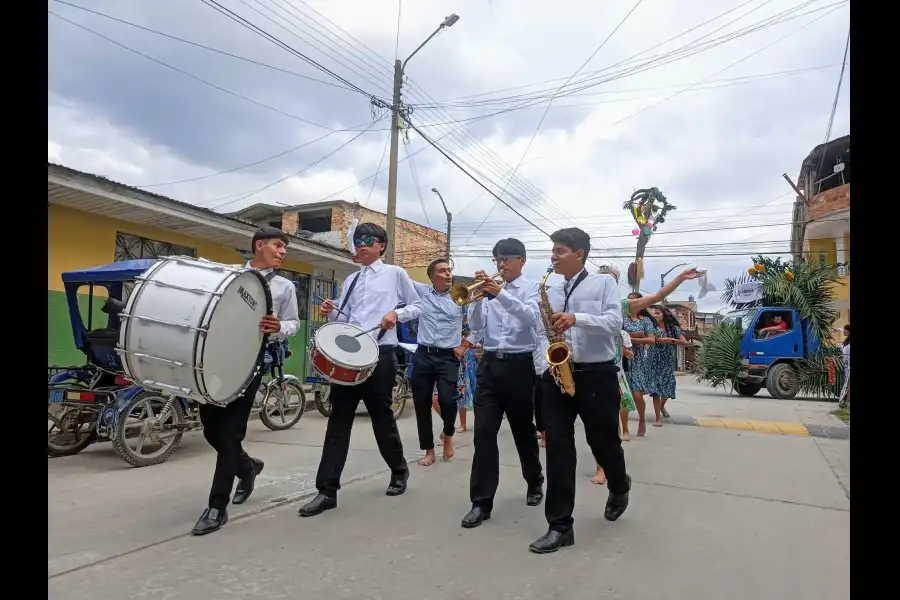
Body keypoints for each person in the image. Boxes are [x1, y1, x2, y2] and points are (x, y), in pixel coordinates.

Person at [298, 223, 423, 517]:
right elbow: (345, 315)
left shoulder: (395, 274)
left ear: (381, 245)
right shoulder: (351, 279)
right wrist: (331, 308)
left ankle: (399, 469)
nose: (362, 245)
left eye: (368, 241)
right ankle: (326, 491)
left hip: (382, 353)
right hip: (350, 356)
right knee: (338, 421)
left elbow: (418, 306)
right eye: (358, 241)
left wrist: (396, 314)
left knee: (382, 419)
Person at [192, 226, 300, 536]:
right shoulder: (231, 276)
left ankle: (216, 507)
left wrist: (279, 326)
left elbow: (292, 323)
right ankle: (247, 467)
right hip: (214, 360)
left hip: (252, 362)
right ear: (259, 245)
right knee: (212, 429)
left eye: (285, 248)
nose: (283, 252)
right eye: (278, 245)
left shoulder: (284, 287)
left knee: (231, 431)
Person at [529, 228, 629, 554]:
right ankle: (560, 526)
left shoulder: (604, 283)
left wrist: (577, 318)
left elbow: (615, 323)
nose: (553, 256)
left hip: (596, 373)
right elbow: (541, 329)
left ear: (579, 254)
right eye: (553, 251)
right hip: (558, 373)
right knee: (557, 448)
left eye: (559, 251)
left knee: (603, 441)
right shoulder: (550, 289)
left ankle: (618, 483)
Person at [461, 238, 544, 530]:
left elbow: (532, 319)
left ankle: (534, 481)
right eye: (498, 259)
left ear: (522, 260)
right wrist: (477, 299)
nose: (501, 264)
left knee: (523, 431)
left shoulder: (533, 288)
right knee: (483, 433)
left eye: (507, 258)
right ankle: (481, 502)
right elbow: (477, 326)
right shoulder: (489, 291)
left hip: (520, 366)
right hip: (491, 364)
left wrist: (500, 294)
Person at [596, 265, 703, 439]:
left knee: (629, 394)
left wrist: (681, 277)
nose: (607, 284)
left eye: (612, 280)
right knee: (604, 403)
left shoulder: (622, 306)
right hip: (596, 358)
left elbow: (657, 296)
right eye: (604, 279)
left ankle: (629, 426)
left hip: (624, 359)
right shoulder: (587, 301)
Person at [410, 258, 472, 466]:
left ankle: (448, 434)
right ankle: (428, 450)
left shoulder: (461, 297)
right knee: (421, 403)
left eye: (449, 270)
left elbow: (476, 325)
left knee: (447, 399)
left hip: (448, 356)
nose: (448, 274)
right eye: (443, 271)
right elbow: (398, 279)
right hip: (423, 354)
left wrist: (464, 345)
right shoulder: (421, 291)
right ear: (432, 277)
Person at [591, 329, 635, 486]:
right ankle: (600, 469)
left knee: (611, 425)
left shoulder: (622, 334)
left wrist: (627, 352)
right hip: (594, 379)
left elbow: (630, 354)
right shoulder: (593, 330)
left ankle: (624, 431)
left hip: (617, 378)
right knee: (598, 426)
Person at [647, 304, 688, 426]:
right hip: (653, 361)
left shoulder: (672, 328)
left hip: (666, 362)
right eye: (654, 313)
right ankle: (657, 419)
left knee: (668, 388)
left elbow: (684, 342)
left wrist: (671, 340)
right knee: (655, 391)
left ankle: (662, 406)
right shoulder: (650, 326)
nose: (656, 315)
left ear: (664, 315)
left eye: (658, 313)